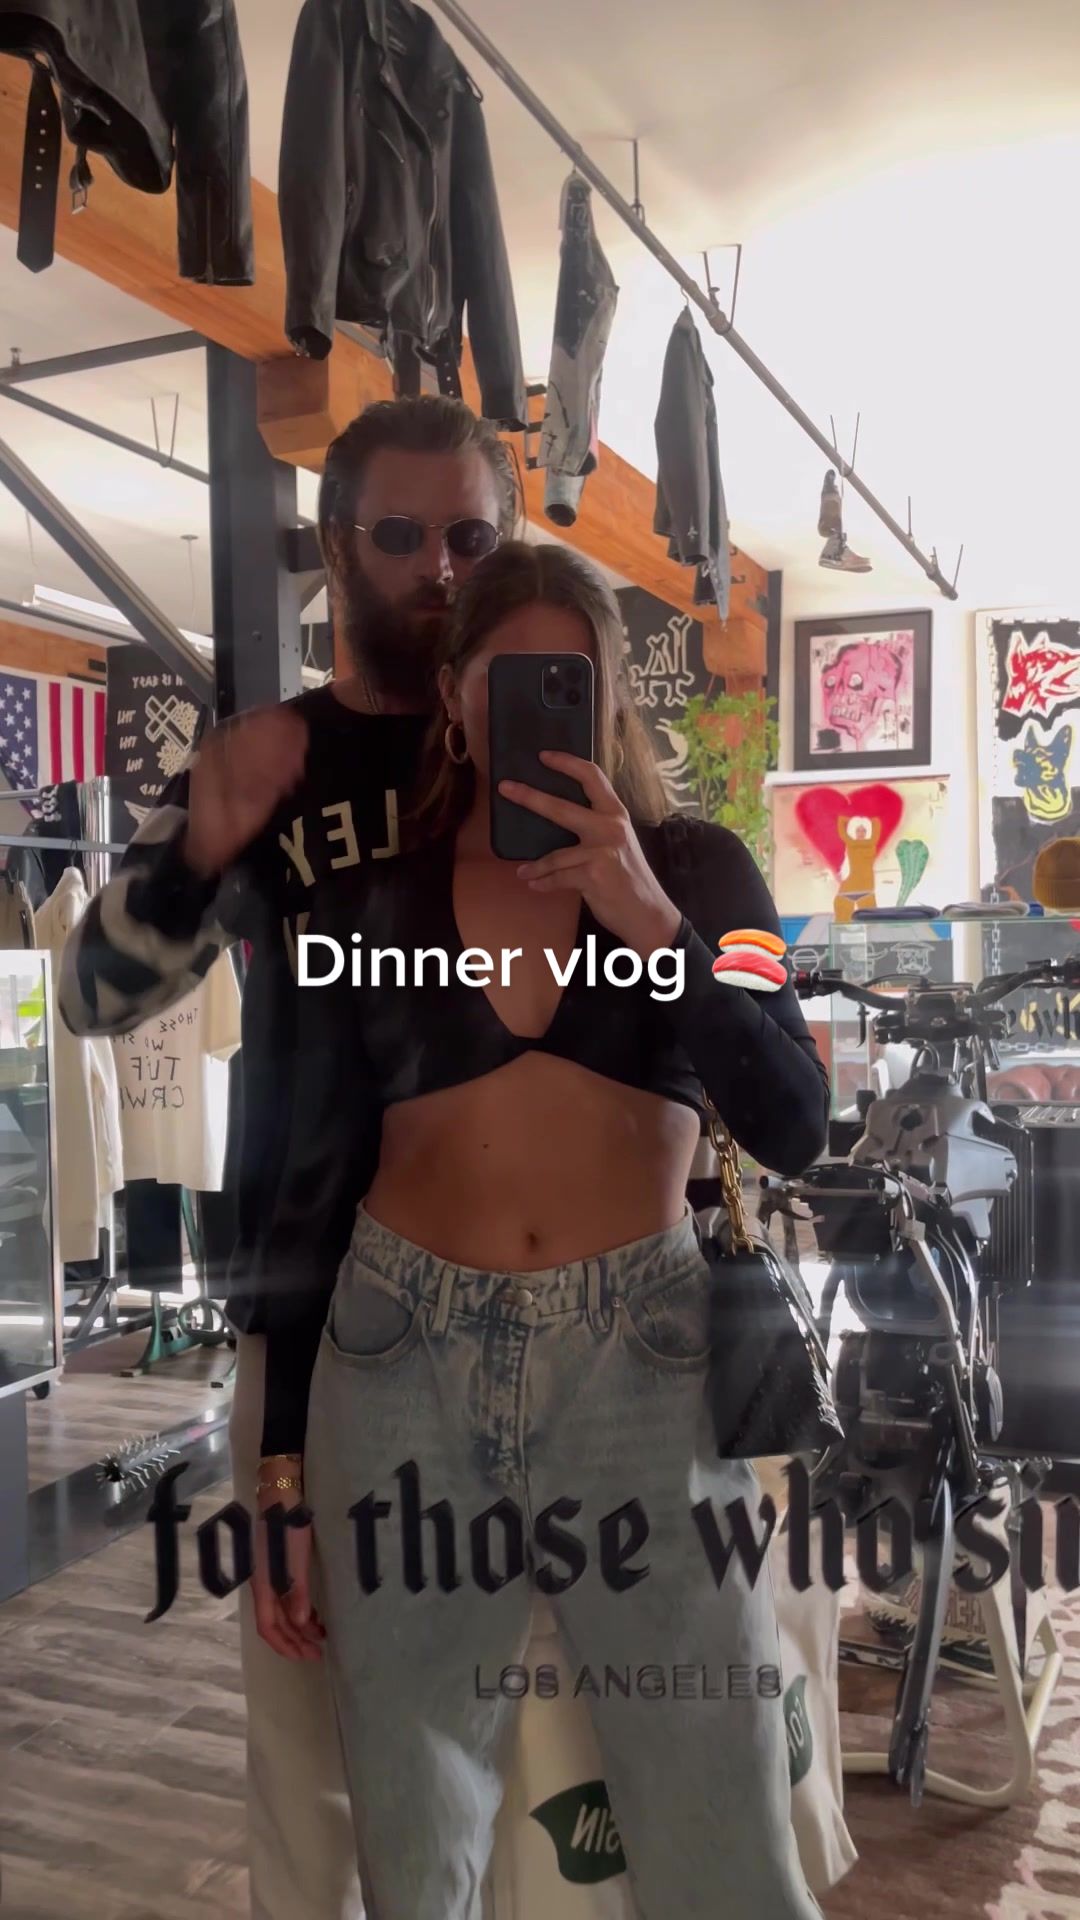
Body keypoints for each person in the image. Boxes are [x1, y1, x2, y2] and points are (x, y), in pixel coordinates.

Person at [259, 542, 831, 1919]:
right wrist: (279, 1468)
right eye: (503, 681)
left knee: (722, 1809)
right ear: (457, 700)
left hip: (646, 1362)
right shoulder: (368, 899)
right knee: (413, 1823)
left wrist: (650, 920)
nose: (532, 706)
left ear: (610, 691)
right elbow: (309, 1181)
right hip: (396, 1362)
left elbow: (796, 1119)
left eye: (566, 680)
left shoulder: (701, 871)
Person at [58, 395, 519, 1920]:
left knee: (522, 1734)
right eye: (402, 534)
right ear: (335, 544)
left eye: (472, 536)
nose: (439, 568)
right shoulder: (273, 760)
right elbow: (91, 997)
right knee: (309, 1740)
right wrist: (200, 848)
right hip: (318, 1308)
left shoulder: (543, 741)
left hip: (536, 1301)